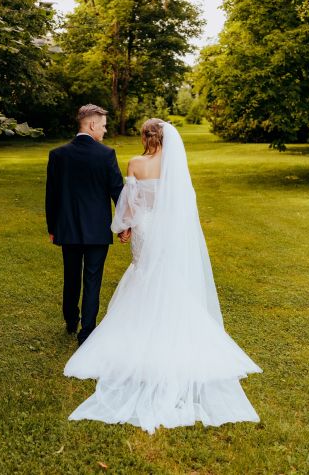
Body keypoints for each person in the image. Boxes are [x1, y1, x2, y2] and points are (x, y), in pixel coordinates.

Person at [63, 118, 263, 434]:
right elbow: (183, 205)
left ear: (145, 137)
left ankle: (138, 333)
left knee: (143, 273)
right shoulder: (174, 167)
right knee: (167, 277)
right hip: (168, 230)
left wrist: (124, 228)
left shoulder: (136, 163)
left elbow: (130, 204)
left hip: (144, 227)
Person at [45, 104, 130, 346]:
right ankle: (87, 331)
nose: (105, 130)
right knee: (93, 279)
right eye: (103, 126)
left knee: (71, 275)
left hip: (68, 228)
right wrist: (124, 224)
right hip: (96, 231)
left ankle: (71, 321)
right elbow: (118, 193)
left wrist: (53, 228)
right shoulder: (106, 154)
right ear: (92, 124)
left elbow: (51, 196)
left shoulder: (58, 155)